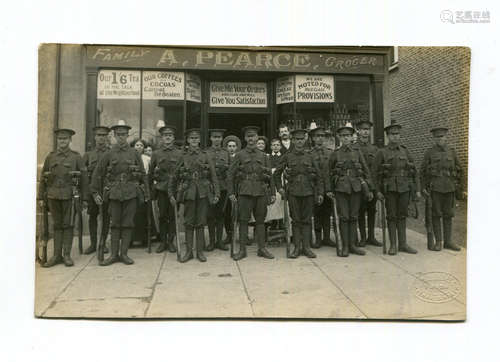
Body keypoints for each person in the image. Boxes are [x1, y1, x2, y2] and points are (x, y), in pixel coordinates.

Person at [91, 120, 150, 266]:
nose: (121, 137)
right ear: (115, 136)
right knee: (115, 224)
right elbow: (98, 173)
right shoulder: (109, 153)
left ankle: (124, 254)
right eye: (118, 134)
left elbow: (142, 173)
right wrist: (95, 192)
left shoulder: (134, 153)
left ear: (128, 135)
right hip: (114, 193)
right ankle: (113, 255)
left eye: (123, 134)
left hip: (131, 192)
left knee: (128, 224)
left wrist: (147, 192)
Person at [38, 128, 89, 267]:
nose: (62, 141)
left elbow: (84, 179)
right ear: (57, 140)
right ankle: (56, 255)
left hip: (70, 196)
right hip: (53, 196)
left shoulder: (76, 157)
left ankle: (66, 255)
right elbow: (43, 177)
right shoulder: (50, 157)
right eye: (60, 139)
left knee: (68, 225)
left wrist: (84, 198)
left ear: (70, 140)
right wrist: (40, 198)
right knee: (56, 225)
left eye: (65, 139)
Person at [169, 129, 220, 263]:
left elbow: (213, 176)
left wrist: (217, 193)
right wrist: (171, 193)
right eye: (191, 138)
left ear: (199, 140)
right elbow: (174, 177)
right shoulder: (183, 156)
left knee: (201, 222)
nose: (194, 141)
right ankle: (189, 252)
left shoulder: (206, 155)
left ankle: (200, 252)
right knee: (189, 222)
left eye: (196, 138)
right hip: (188, 192)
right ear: (187, 140)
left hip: (203, 192)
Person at [228, 126, 276, 260]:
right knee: (243, 221)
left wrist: (272, 193)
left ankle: (262, 248)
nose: (251, 139)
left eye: (253, 136)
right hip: (244, 192)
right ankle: (242, 250)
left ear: (257, 138)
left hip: (261, 191)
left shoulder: (264, 156)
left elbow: (269, 176)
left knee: (261, 221)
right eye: (248, 136)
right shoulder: (239, 155)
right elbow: (230, 175)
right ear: (245, 138)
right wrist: (231, 192)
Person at [373, 121, 421, 255]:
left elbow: (414, 171)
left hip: (404, 187)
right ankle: (393, 245)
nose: (395, 137)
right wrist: (377, 191)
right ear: (388, 136)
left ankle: (403, 244)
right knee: (392, 216)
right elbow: (374, 174)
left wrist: (417, 189)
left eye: (397, 134)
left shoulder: (405, 151)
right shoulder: (381, 152)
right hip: (389, 189)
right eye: (392, 134)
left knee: (402, 215)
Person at [274, 129, 324, 258]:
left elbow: (319, 176)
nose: (299, 142)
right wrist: (280, 188)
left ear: (305, 140)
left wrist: (320, 193)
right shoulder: (287, 156)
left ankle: (306, 247)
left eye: (301, 139)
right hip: (293, 192)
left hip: (308, 191)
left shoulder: (310, 156)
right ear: (293, 140)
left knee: (307, 220)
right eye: (296, 139)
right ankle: (296, 247)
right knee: (296, 220)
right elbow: (276, 174)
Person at [326, 125, 373, 257]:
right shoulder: (335, 154)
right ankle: (345, 245)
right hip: (340, 188)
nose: (346, 138)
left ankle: (353, 245)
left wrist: (368, 187)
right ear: (339, 138)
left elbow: (365, 170)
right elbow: (328, 172)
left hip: (356, 187)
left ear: (352, 137)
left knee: (354, 216)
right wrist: (329, 189)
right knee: (344, 217)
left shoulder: (357, 152)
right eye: (343, 136)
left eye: (348, 136)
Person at [420, 126, 464, 251]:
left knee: (448, 215)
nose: (440, 139)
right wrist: (423, 187)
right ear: (434, 138)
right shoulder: (429, 153)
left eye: (442, 136)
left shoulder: (452, 151)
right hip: (435, 188)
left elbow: (460, 169)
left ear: (446, 137)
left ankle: (448, 241)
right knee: (436, 214)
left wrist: (460, 187)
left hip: (449, 188)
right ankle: (439, 241)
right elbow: (422, 171)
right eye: (437, 137)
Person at [149, 125, 183, 254]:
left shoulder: (180, 153)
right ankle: (163, 241)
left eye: (170, 135)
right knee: (162, 215)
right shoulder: (156, 154)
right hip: (162, 189)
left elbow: (182, 172)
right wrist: (151, 190)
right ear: (162, 138)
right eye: (165, 135)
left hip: (175, 190)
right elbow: (151, 173)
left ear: (173, 138)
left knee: (173, 215)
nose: (167, 137)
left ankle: (171, 241)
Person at [82, 126, 111, 255]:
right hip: (92, 191)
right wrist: (88, 193)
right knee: (92, 217)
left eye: (104, 136)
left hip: (107, 191)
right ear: (95, 137)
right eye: (99, 135)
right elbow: (83, 176)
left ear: (107, 138)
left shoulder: (111, 153)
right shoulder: (88, 155)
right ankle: (93, 244)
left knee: (106, 217)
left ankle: (102, 243)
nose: (101, 138)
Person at [354, 120, 382, 247]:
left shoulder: (375, 149)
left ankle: (371, 236)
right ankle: (363, 237)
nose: (365, 132)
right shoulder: (354, 148)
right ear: (358, 131)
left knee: (372, 210)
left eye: (367, 129)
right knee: (360, 210)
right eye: (363, 129)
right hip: (359, 184)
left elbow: (378, 168)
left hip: (373, 184)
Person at [309, 126, 336, 249]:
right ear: (313, 138)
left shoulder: (331, 153)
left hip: (329, 188)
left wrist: (330, 189)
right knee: (317, 213)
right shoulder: (309, 154)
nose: (320, 139)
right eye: (317, 136)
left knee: (327, 213)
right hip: (314, 189)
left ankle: (327, 238)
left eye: (322, 136)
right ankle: (318, 239)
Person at [206, 129, 230, 251]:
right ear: (211, 138)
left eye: (219, 137)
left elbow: (230, 170)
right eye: (214, 137)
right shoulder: (206, 152)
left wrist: (226, 168)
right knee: (210, 215)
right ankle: (211, 242)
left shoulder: (226, 153)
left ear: (222, 139)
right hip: (210, 187)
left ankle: (220, 241)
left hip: (223, 186)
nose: (217, 139)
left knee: (221, 214)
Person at [223, 135, 241, 244]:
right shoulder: (224, 157)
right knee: (227, 212)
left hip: (239, 188)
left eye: (234, 146)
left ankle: (240, 235)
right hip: (226, 189)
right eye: (229, 146)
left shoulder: (240, 157)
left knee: (240, 213)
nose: (231, 148)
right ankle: (229, 235)